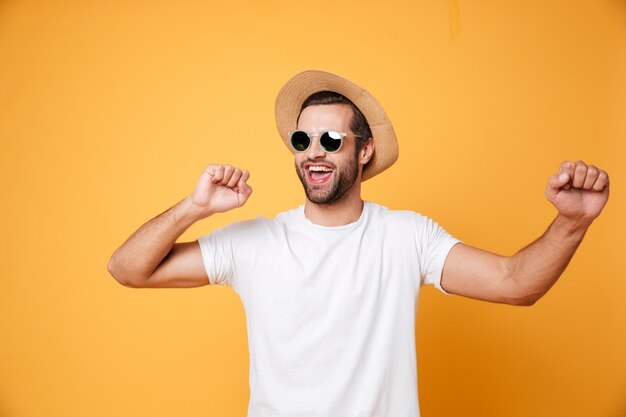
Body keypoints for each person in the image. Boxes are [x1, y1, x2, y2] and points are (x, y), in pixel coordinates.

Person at [107, 70, 610, 417]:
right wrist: (194, 208)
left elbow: (515, 283)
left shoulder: (407, 236)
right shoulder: (254, 242)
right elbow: (127, 268)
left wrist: (572, 223)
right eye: (302, 141)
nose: (314, 154)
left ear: (364, 150)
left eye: (331, 140)